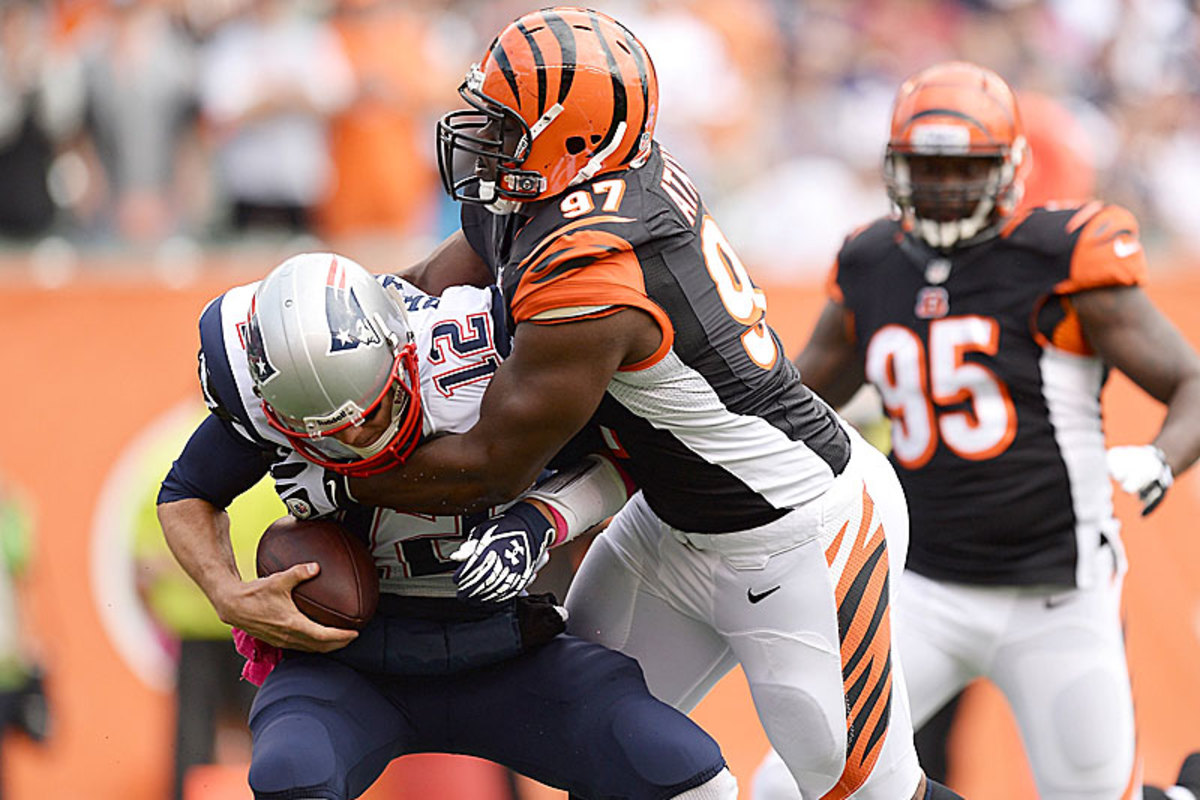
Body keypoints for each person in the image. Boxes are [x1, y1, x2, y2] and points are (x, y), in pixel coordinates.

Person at [342, 8, 958, 799]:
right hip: (670, 520)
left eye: (506, 124)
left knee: (863, 792)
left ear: (572, 140)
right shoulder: (560, 188)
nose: (483, 138)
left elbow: (490, 467)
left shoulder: (595, 262)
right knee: (600, 756)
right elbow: (423, 290)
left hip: (796, 533)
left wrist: (332, 473)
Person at [754, 61, 1200, 799]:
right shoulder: (870, 263)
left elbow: (1191, 380)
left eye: (965, 167)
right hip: (924, 588)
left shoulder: (1061, 257)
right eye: (928, 167)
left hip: (1059, 591)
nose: (944, 186)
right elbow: (789, 403)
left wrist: (1164, 456)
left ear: (1010, 167)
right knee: (793, 788)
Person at [157, 252, 737, 800]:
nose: (353, 439)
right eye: (323, 432)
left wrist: (536, 521)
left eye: (369, 412)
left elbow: (619, 459)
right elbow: (186, 493)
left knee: (688, 772)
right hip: (349, 666)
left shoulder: (483, 352)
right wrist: (226, 592)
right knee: (291, 776)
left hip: (506, 650)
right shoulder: (274, 395)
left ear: (401, 352)